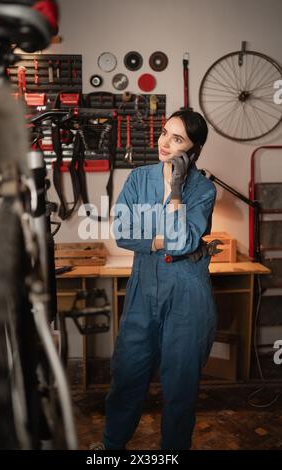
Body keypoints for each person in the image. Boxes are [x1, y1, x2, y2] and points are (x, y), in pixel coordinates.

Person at [92, 109, 219, 450]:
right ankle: (111, 446)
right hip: (144, 284)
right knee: (128, 373)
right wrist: (165, 238)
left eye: (177, 138)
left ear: (194, 150)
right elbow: (122, 232)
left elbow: (184, 243)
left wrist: (176, 190)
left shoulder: (202, 189)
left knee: (181, 384)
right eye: (165, 132)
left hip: (187, 289)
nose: (164, 142)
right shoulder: (138, 179)